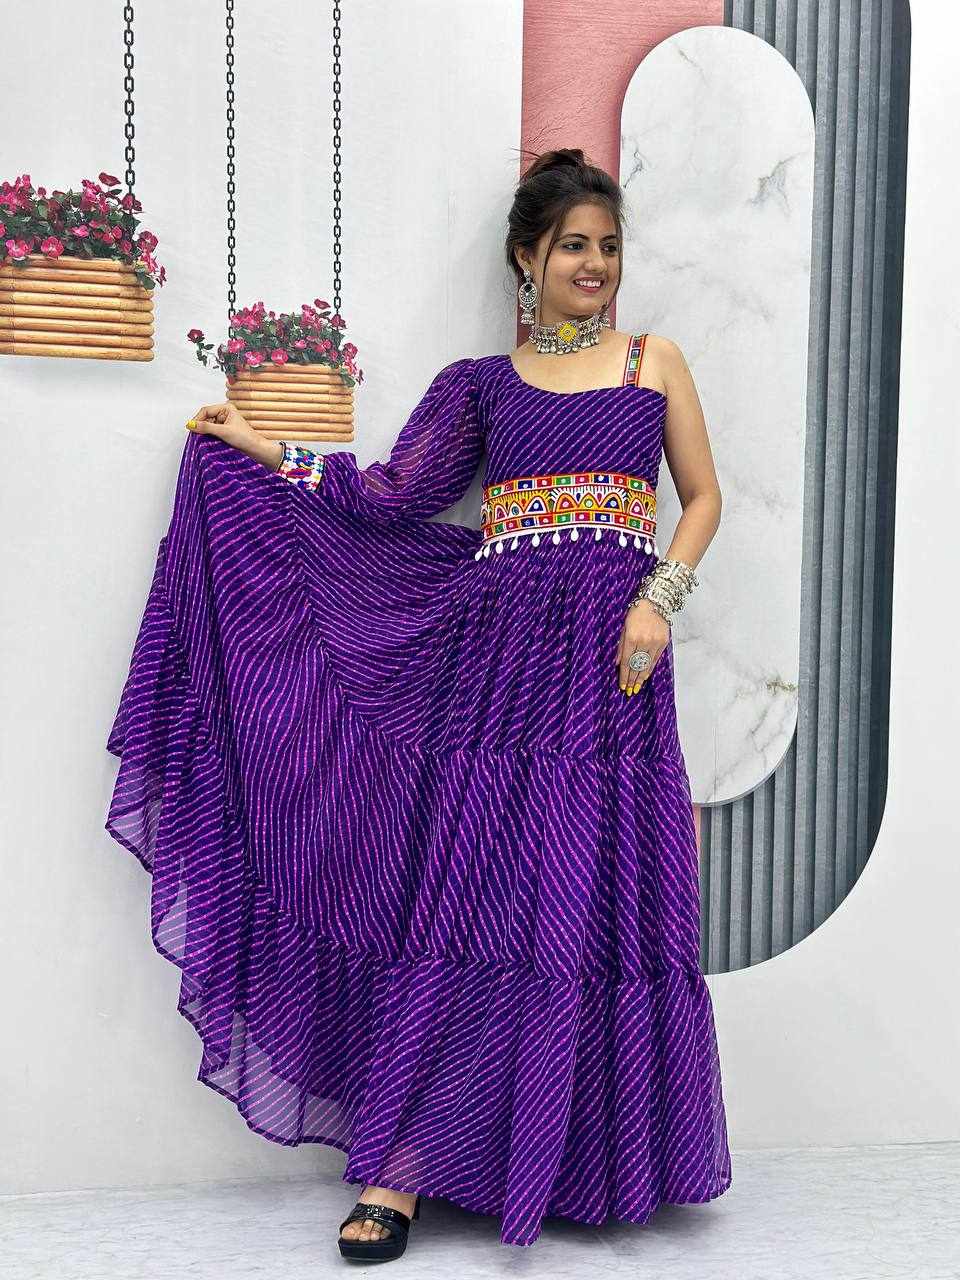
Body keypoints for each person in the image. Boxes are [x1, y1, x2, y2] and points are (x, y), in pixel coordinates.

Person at [105, 147, 730, 1262]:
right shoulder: (480, 386)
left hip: (614, 667)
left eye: (608, 246)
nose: (595, 265)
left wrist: (659, 600)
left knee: (590, 896)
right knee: (471, 897)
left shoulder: (655, 362)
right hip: (495, 672)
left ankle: (587, 1158)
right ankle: (397, 1170)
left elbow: (704, 497)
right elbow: (393, 499)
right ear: (526, 258)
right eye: (573, 246)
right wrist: (266, 449)